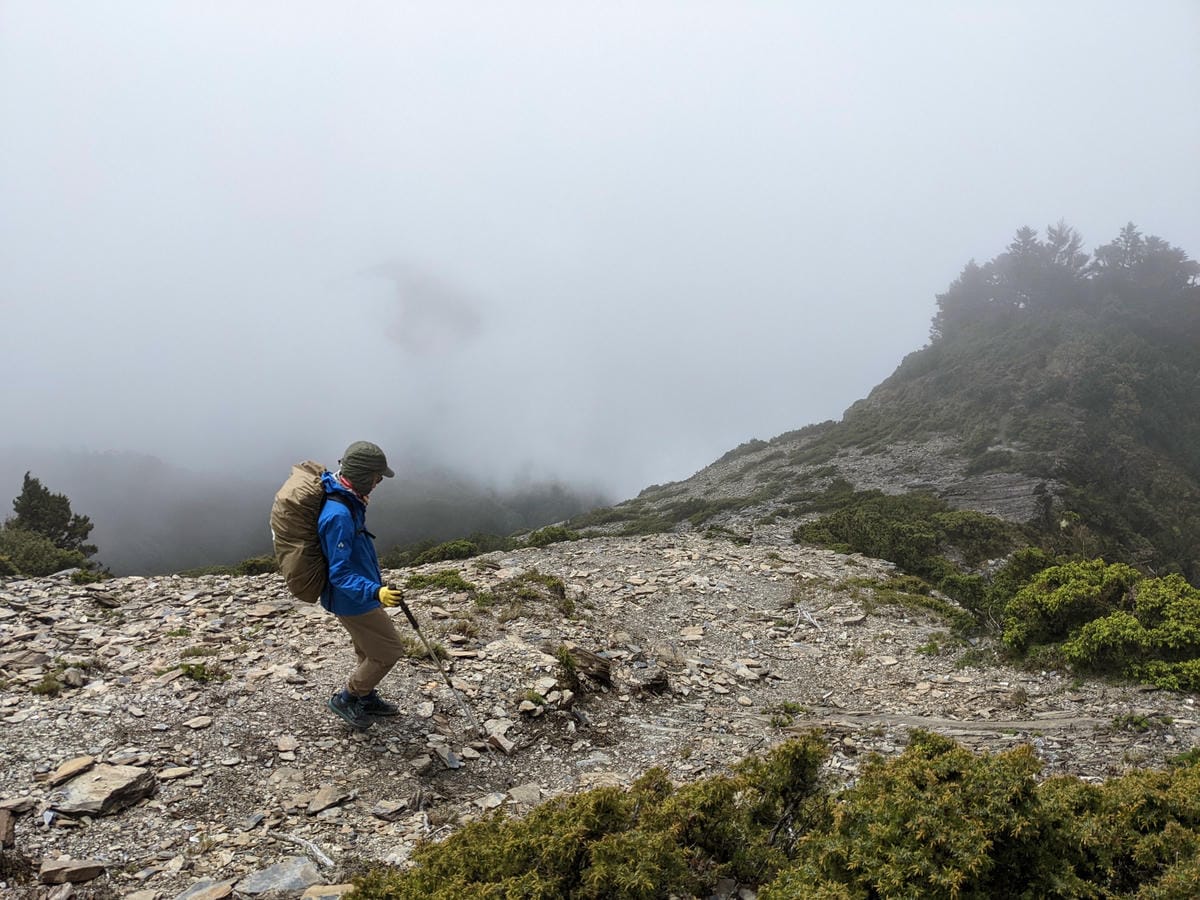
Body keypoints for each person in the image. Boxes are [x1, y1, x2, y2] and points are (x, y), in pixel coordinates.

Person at [319, 440, 408, 730]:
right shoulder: (339, 515)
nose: (379, 481)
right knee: (389, 651)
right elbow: (340, 573)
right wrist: (375, 591)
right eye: (376, 476)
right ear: (361, 475)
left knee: (368, 650)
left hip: (358, 595)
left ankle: (365, 696)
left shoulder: (348, 498)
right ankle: (348, 697)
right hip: (353, 599)